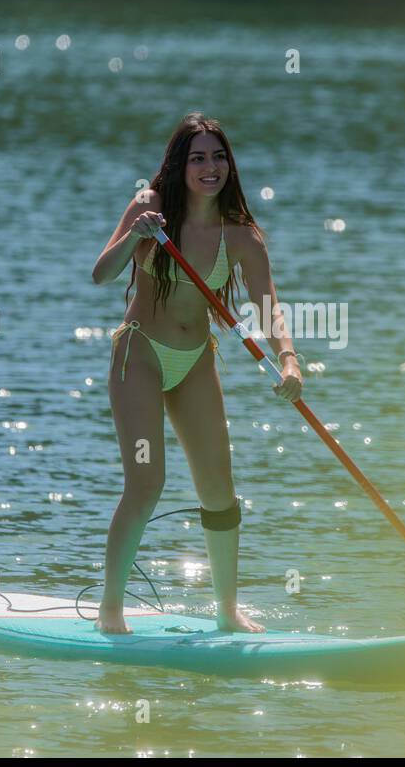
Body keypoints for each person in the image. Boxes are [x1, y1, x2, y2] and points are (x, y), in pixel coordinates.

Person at [90, 112, 303, 634]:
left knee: (219, 489)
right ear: (179, 166)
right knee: (147, 484)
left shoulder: (243, 237)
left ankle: (227, 611)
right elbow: (101, 273)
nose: (211, 167)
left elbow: (269, 306)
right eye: (198, 158)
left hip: (194, 362)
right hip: (139, 355)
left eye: (219, 156)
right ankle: (110, 612)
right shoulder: (150, 208)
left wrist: (291, 359)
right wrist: (134, 236)